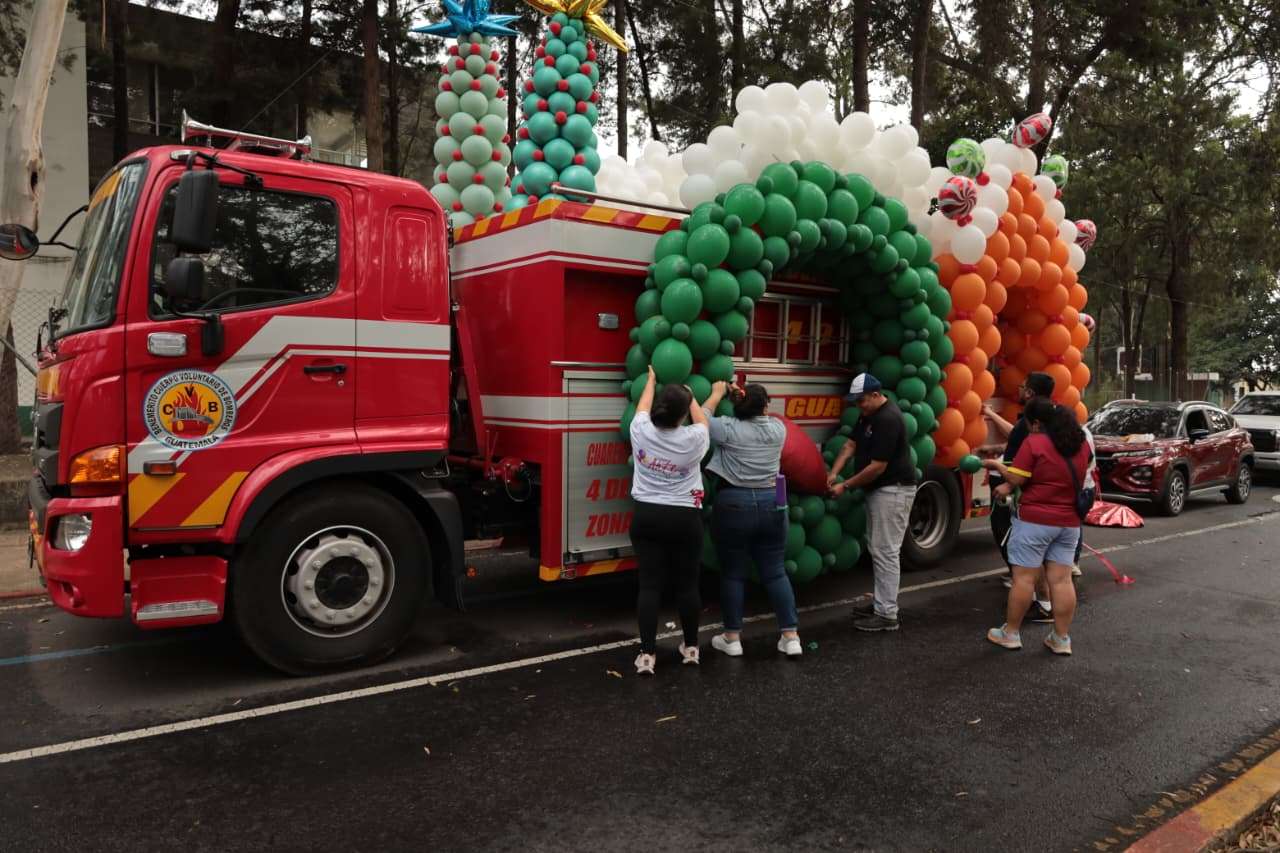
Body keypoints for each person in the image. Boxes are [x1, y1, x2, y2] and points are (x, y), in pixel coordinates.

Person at [980, 398, 1091, 656]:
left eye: (1027, 423)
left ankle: (1010, 633)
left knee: (1024, 579)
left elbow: (1017, 477)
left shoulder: (1035, 442)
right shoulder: (1080, 444)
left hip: (1034, 522)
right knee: (1062, 581)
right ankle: (1061, 638)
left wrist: (996, 465)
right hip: (1069, 523)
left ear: (1037, 423)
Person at [702, 379, 803, 658]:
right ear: (766, 406)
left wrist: (716, 393)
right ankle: (790, 637)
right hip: (772, 503)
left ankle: (732, 639)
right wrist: (741, 398)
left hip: (734, 503)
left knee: (733, 573)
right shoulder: (778, 429)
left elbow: (701, 418)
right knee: (775, 571)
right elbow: (756, 413)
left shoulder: (727, 428)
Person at [628, 366, 711, 675]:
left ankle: (647, 655)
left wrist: (650, 380)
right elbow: (702, 419)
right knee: (688, 586)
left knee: (649, 587)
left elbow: (642, 407)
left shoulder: (641, 431)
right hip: (684, 517)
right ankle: (691, 649)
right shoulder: (694, 438)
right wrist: (690, 396)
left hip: (647, 516)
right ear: (682, 414)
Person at [827, 373, 918, 632]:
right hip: (881, 491)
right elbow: (850, 444)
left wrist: (844, 485)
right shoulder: (869, 414)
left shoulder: (888, 419)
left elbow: (877, 467)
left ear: (877, 395)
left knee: (886, 551)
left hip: (893, 490)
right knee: (878, 549)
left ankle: (888, 614)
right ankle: (881, 603)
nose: (859, 406)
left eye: (863, 401)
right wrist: (835, 471)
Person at [982, 371, 1058, 620]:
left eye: (1022, 386)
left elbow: (1022, 469)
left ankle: (1018, 622)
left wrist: (1001, 474)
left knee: (1025, 555)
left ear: (1030, 393)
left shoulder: (1036, 428)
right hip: (1055, 510)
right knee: (1051, 565)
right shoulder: (1059, 428)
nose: (1018, 389)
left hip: (1028, 500)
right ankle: (1051, 618)